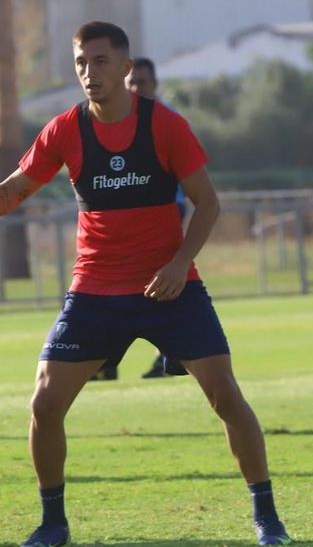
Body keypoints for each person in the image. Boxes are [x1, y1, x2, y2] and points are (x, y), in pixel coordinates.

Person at [0, 21, 290, 547]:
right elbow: (18, 187)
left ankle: (267, 518)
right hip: (95, 291)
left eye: (100, 62)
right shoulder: (65, 130)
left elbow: (209, 205)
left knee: (225, 395)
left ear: (125, 69)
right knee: (44, 403)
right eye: (80, 63)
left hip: (169, 288)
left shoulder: (165, 125)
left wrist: (178, 263)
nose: (88, 73)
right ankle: (53, 523)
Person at [91, 57, 189, 382]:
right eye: (132, 83)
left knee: (159, 284)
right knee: (120, 285)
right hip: (126, 217)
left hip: (165, 211)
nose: (136, 89)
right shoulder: (119, 119)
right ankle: (110, 360)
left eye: (142, 83)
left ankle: (169, 354)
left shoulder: (167, 120)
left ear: (155, 85)